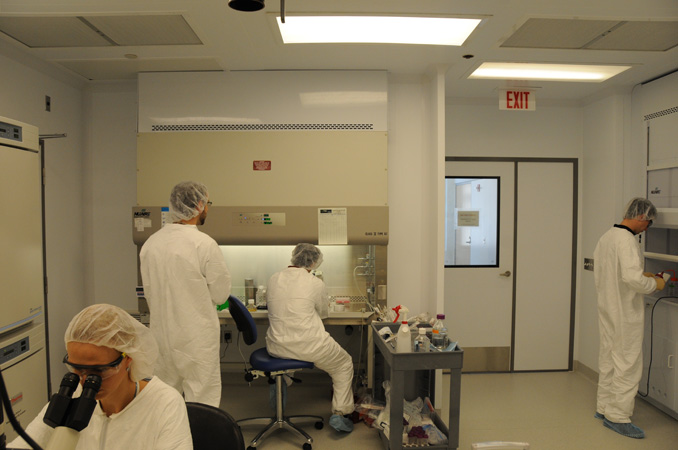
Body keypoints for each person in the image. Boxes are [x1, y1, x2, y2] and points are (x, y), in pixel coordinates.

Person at [9, 304, 193, 450]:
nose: (85, 380)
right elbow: (25, 444)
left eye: (99, 371)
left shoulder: (164, 404)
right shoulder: (72, 396)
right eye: (77, 369)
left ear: (128, 358)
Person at [140, 181, 231, 407]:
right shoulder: (203, 244)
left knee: (165, 402)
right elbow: (220, 295)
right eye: (207, 203)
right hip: (196, 338)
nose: (207, 208)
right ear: (199, 205)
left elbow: (149, 291)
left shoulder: (151, 243)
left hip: (162, 337)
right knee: (202, 402)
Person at [593, 197, 666, 439]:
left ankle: (603, 407)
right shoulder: (627, 240)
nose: (647, 228)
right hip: (625, 313)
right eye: (649, 223)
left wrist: (643, 275)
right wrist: (655, 284)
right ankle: (618, 417)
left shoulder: (607, 237)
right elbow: (632, 279)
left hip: (608, 308)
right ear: (641, 217)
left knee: (609, 359)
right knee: (628, 364)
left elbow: (613, 272)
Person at [265, 243, 355, 433]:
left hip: (277, 346)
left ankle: (279, 394)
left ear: (294, 257)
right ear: (313, 262)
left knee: (287, 360)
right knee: (344, 364)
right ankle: (340, 413)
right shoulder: (315, 283)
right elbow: (323, 313)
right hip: (310, 346)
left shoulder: (274, 278)